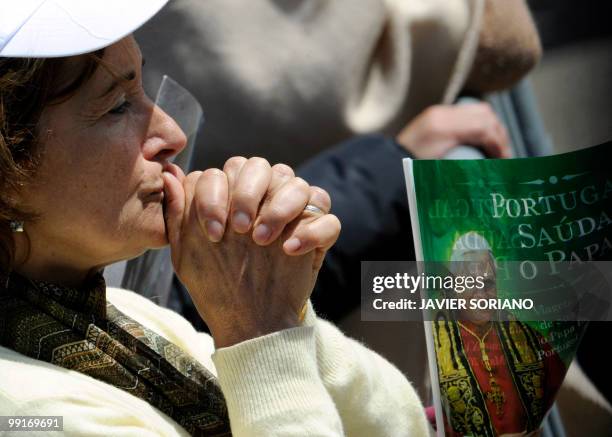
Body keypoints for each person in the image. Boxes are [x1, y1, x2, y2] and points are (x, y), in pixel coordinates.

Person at [0, 1, 427, 436]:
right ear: (8, 173)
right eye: (116, 107)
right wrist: (260, 332)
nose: (172, 135)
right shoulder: (24, 412)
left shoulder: (133, 314)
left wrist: (280, 301)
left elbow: (403, 425)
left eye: (143, 91)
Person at [430, 232, 565, 436]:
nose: (481, 294)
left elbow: (554, 385)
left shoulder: (528, 336)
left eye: (488, 284)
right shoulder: (435, 343)